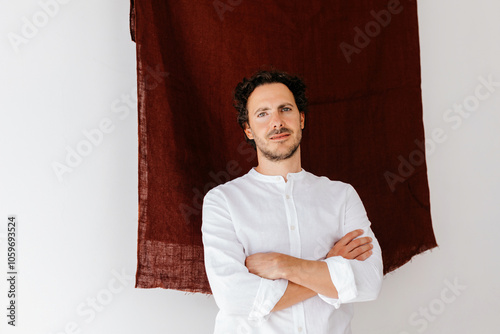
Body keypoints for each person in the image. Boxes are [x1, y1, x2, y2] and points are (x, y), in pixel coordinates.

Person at [201, 70, 383, 334]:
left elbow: (368, 283)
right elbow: (234, 297)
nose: (276, 122)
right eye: (262, 113)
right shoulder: (223, 201)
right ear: (249, 130)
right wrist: (328, 268)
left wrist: (282, 266)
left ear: (301, 119)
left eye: (285, 109)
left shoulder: (341, 196)